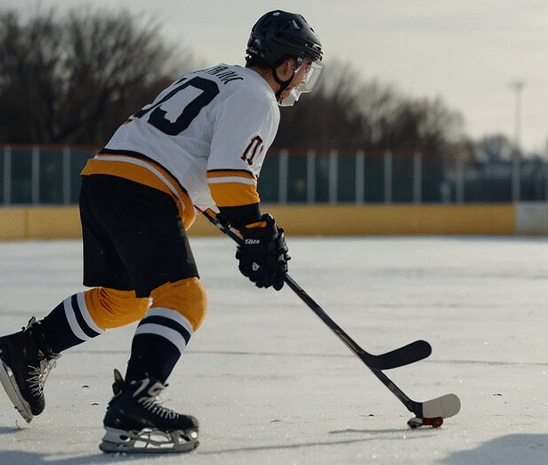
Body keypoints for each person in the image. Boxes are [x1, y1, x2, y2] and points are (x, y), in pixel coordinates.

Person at [0, 10, 323, 453]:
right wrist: (256, 229)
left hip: (103, 181)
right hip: (141, 191)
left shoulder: (218, 77)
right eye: (304, 67)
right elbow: (230, 176)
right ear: (286, 65)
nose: (304, 79)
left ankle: (30, 348)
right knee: (185, 297)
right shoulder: (258, 99)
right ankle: (134, 405)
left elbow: (201, 171)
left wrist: (251, 232)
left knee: (126, 299)